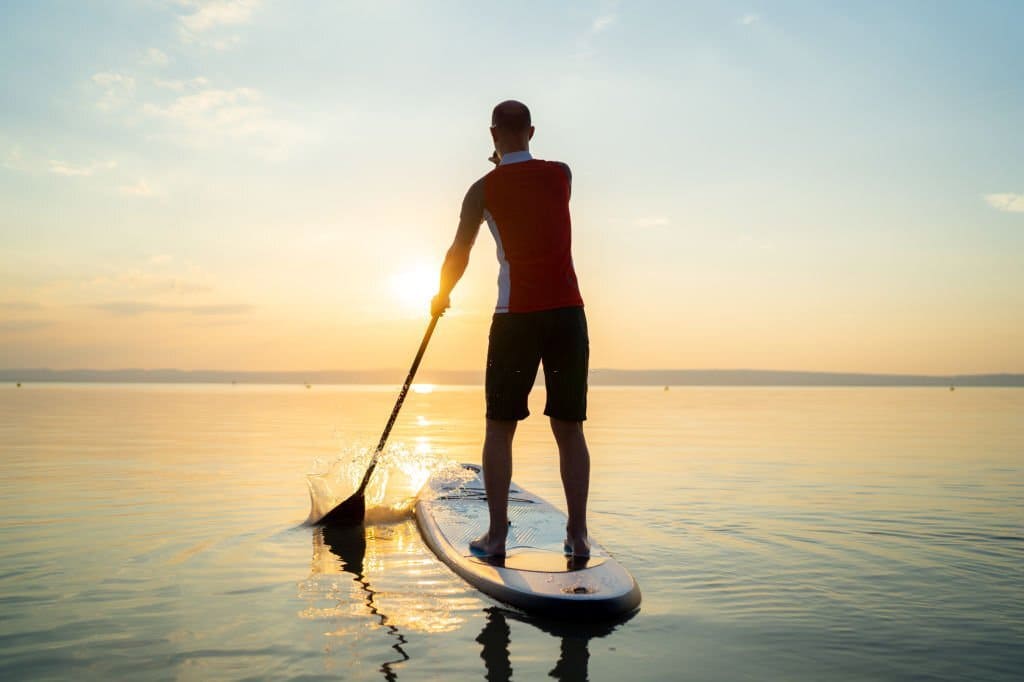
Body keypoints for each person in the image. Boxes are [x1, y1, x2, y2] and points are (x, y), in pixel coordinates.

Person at [431, 100, 591, 558]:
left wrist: (441, 296)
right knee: (570, 428)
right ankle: (577, 536)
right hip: (567, 315)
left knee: (499, 428)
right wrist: (507, 158)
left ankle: (497, 537)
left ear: (492, 134)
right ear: (533, 131)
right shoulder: (562, 173)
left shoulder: (481, 190)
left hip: (515, 318)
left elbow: (459, 252)